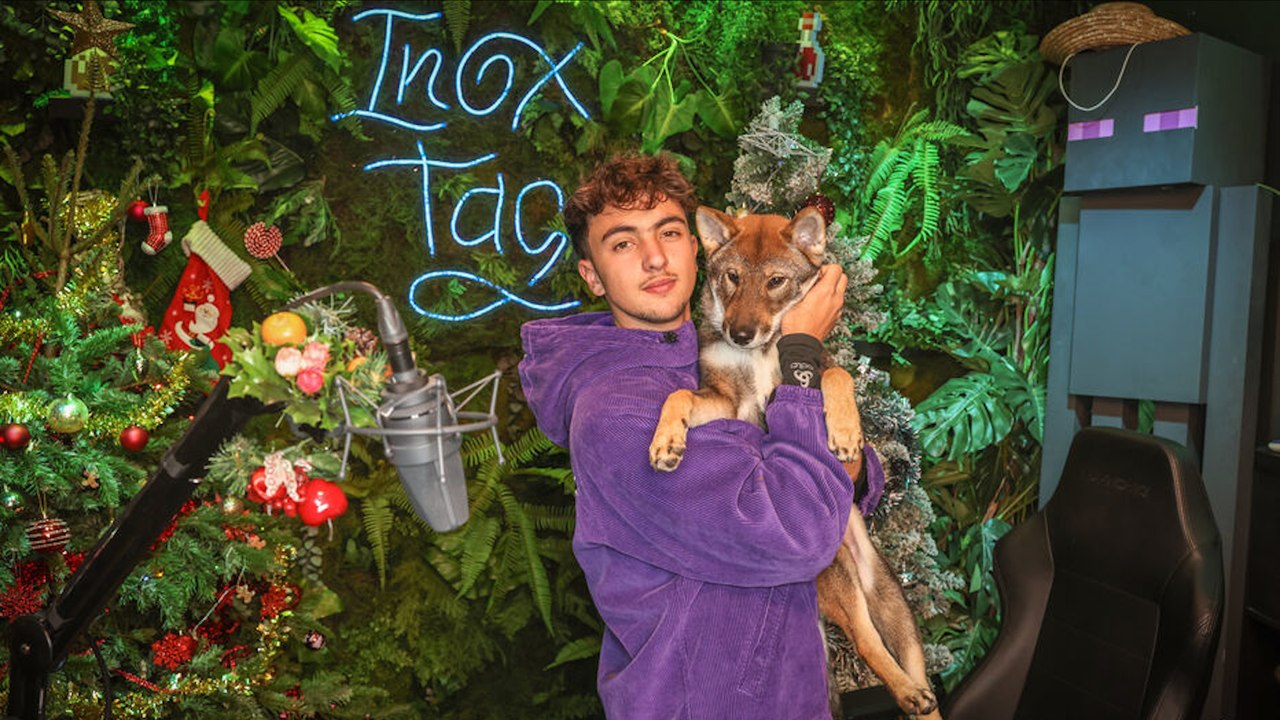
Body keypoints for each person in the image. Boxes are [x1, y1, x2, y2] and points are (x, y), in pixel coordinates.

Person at [519, 153, 853, 719]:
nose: (654, 257)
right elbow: (800, 536)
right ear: (592, 276)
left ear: (701, 249)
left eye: (669, 233)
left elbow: (850, 480)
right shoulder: (615, 414)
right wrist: (802, 352)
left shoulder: (709, 357)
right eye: (623, 243)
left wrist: (848, 460)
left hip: (791, 697)